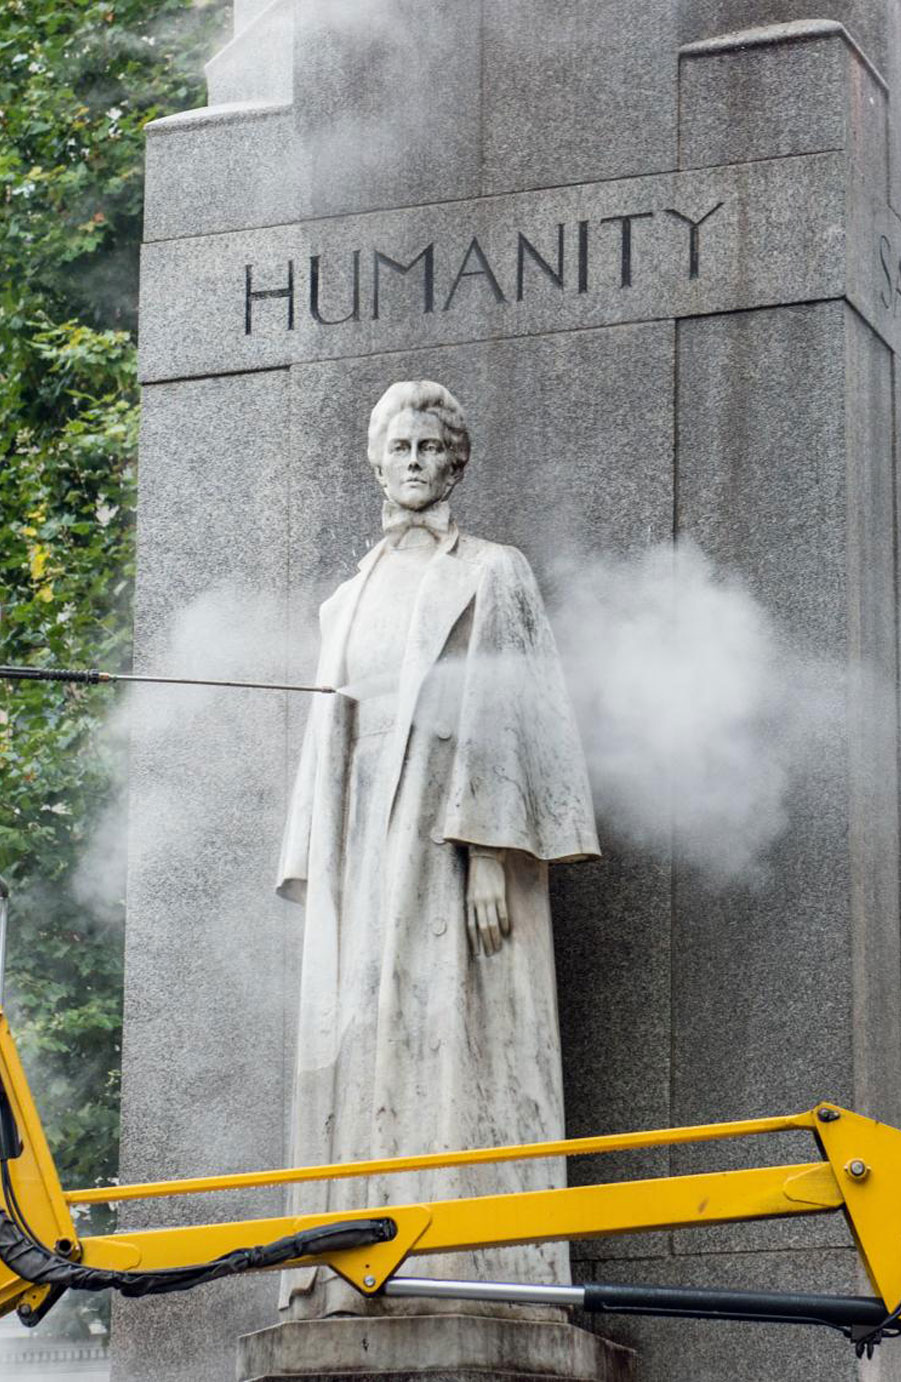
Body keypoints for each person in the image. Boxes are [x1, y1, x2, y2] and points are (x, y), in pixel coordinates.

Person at [276, 382, 599, 1317]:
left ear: (456, 462)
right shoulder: (345, 599)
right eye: (400, 447)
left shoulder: (495, 570)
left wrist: (491, 848)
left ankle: (466, 1249)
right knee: (366, 1030)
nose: (415, 462)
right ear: (375, 462)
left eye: (431, 447)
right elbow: (326, 740)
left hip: (451, 825)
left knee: (453, 1029)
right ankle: (361, 1239)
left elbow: (511, 706)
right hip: (362, 830)